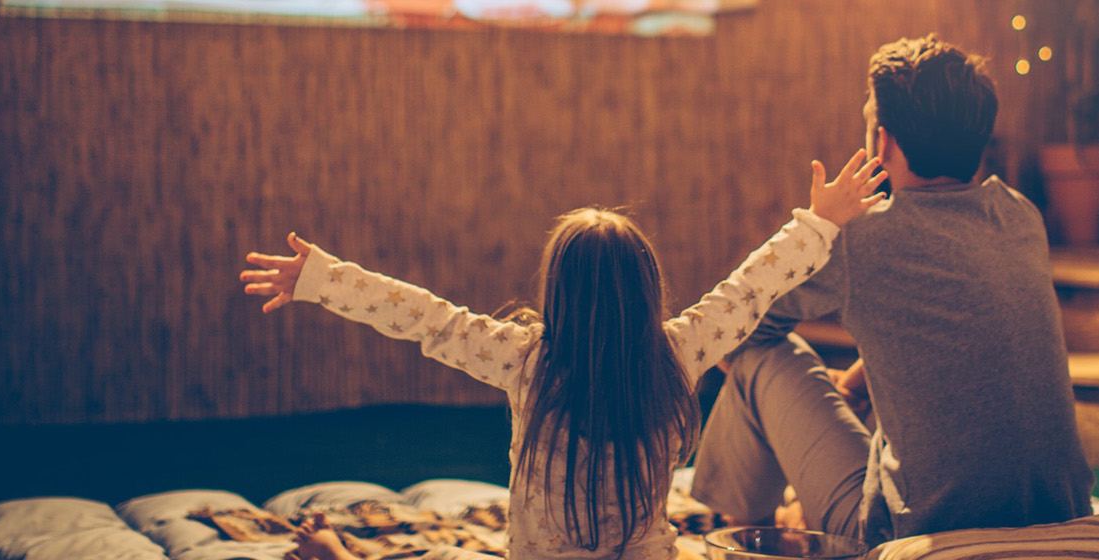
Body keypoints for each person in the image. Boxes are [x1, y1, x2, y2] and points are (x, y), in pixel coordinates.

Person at [239, 151, 888, 560]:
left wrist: (319, 280)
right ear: (647, 289)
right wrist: (820, 222)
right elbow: (751, 290)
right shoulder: (678, 352)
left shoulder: (527, 361)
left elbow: (425, 318)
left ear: (558, 294)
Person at [690, 34, 1096, 548]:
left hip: (908, 535)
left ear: (883, 143)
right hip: (1059, 516)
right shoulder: (1019, 214)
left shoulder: (863, 238)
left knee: (760, 358)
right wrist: (857, 384)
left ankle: (736, 532)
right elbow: (963, 333)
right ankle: (757, 523)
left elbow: (743, 330)